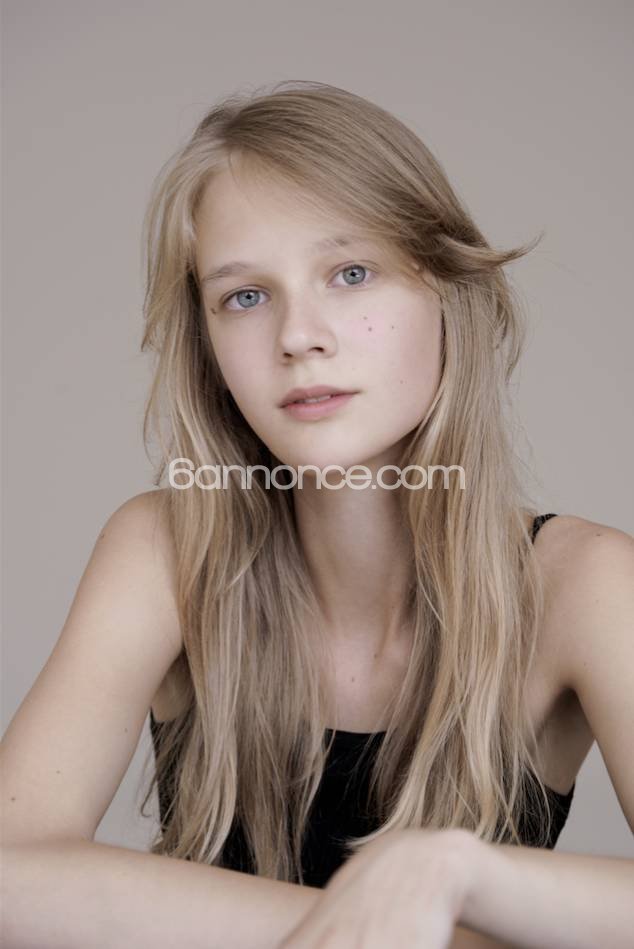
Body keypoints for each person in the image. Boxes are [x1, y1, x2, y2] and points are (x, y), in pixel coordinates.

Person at [2, 80, 633, 949]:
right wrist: (412, 926)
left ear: (446, 291)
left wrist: (453, 872)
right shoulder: (164, 551)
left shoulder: (585, 583)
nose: (299, 336)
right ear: (208, 345)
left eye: (351, 273)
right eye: (245, 296)